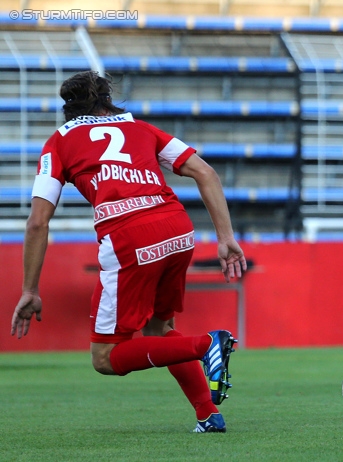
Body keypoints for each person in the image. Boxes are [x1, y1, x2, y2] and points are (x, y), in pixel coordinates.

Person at [10, 70, 247, 433]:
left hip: (128, 235)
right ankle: (208, 415)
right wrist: (225, 236)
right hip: (177, 229)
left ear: (67, 107)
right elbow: (206, 173)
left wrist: (29, 289)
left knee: (105, 358)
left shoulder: (58, 142)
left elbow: (38, 222)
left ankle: (208, 344)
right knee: (160, 326)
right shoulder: (142, 128)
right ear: (108, 98)